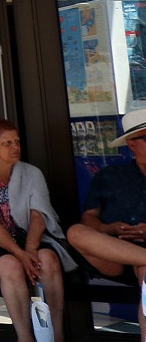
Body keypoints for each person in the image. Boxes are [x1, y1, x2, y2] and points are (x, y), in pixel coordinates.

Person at [0, 119, 70, 342]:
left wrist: (30, 250)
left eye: (16, 142)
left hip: (27, 238)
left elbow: (39, 215)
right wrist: (21, 256)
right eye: (7, 143)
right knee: (11, 266)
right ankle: (25, 337)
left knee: (48, 259)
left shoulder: (31, 173)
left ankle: (57, 335)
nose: (15, 147)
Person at [65, 107, 146, 340]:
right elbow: (89, 218)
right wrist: (109, 228)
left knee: (145, 272)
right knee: (76, 232)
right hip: (114, 254)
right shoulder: (109, 176)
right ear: (132, 144)